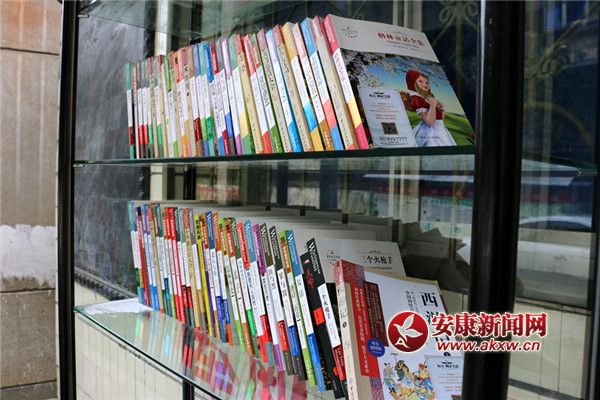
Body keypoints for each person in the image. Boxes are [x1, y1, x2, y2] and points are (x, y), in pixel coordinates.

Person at [405, 69, 457, 147]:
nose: (425, 84)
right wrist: (433, 105)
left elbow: (440, 119)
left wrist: (441, 109)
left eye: (426, 82)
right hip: (430, 131)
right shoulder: (417, 99)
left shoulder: (428, 97)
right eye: (420, 81)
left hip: (440, 128)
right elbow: (430, 122)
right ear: (413, 82)